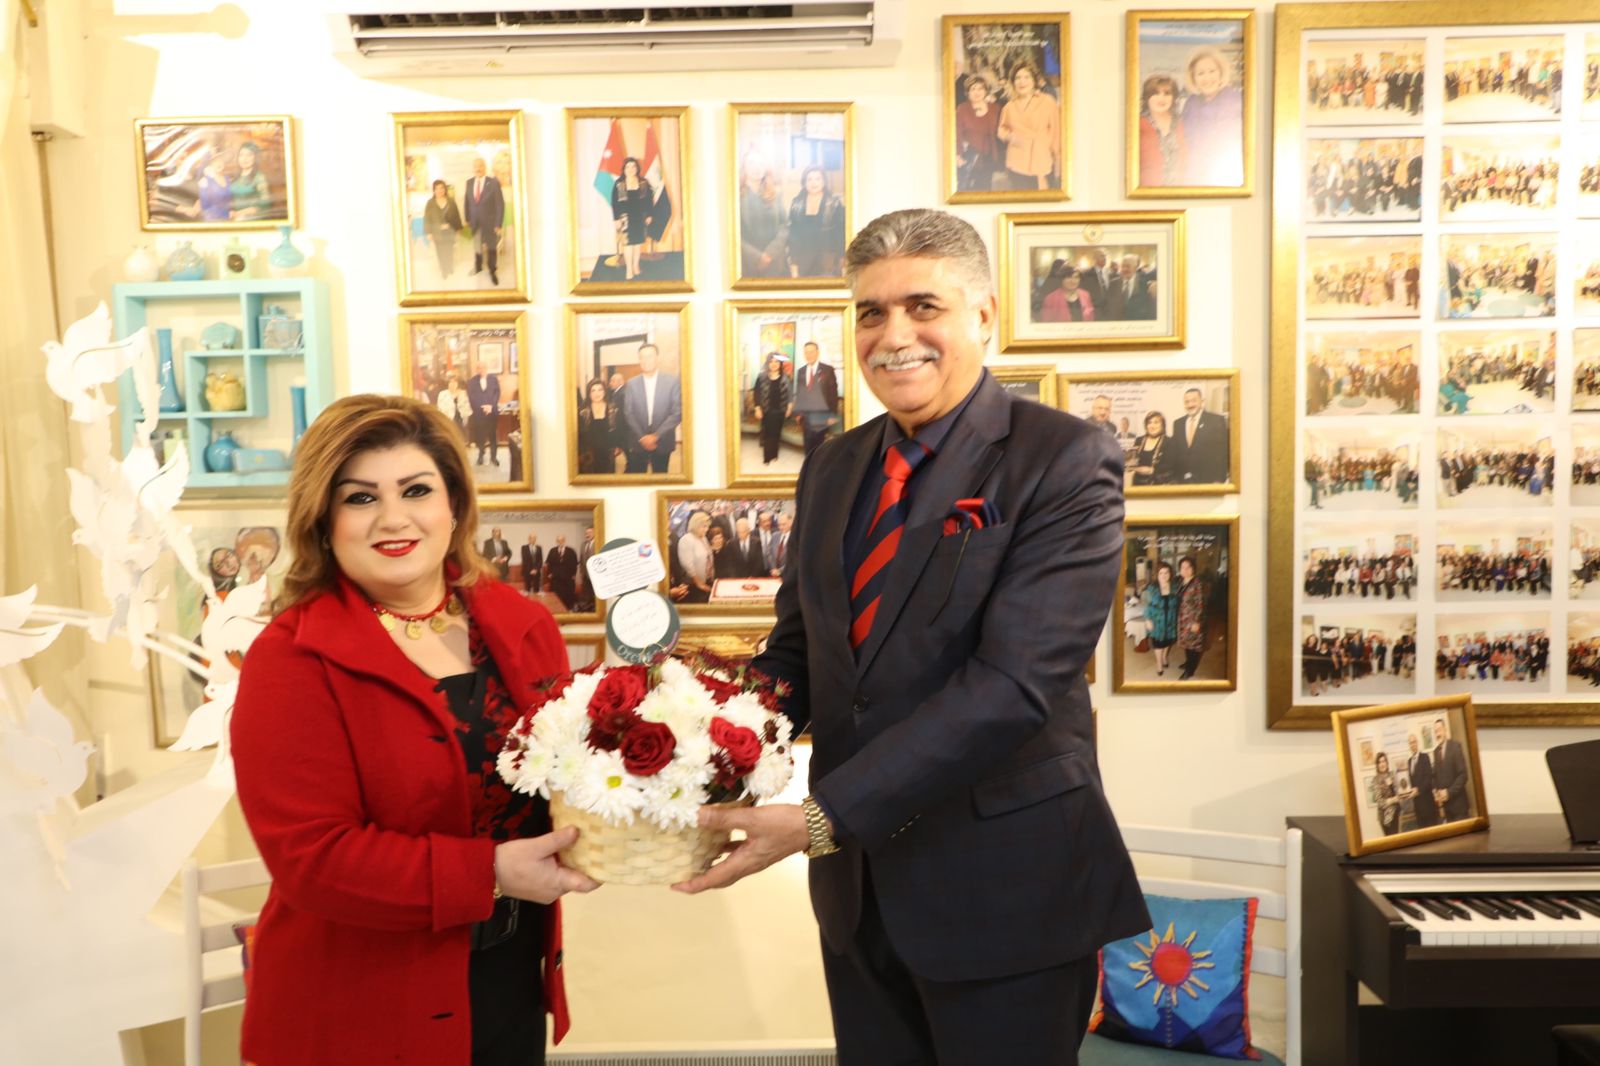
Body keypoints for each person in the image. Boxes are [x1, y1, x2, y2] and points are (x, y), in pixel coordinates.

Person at [674, 208, 1148, 1065]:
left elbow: (1013, 687)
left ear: (985, 316)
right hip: (858, 898)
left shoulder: (1066, 459)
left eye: (923, 306)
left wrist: (820, 818)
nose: (894, 336)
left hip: (1008, 894)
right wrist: (692, 737)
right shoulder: (833, 464)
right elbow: (803, 651)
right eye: (871, 312)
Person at [230, 394, 598, 1066]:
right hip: (361, 1005)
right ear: (324, 521)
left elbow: (564, 774)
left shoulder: (523, 623)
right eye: (360, 498)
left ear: (453, 505)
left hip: (511, 980)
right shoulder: (290, 658)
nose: (393, 518)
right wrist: (490, 873)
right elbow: (313, 859)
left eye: (416, 490)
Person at [1179, 49, 1244, 187]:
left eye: (1212, 71)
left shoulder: (1237, 101)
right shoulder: (1191, 102)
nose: (1207, 78)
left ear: (1221, 73)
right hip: (1192, 175)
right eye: (1200, 73)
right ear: (1193, 78)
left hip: (1224, 178)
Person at [619, 343, 683, 475]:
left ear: (658, 358)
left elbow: (677, 413)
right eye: (642, 357)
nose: (646, 360)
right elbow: (628, 413)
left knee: (660, 477)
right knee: (637, 479)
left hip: (663, 441)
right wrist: (643, 437)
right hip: (638, 441)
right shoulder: (631, 383)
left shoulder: (672, 382)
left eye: (650, 356)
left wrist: (656, 436)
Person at [997, 62, 1060, 191]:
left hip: (1042, 159)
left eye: (1026, 77)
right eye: (1018, 78)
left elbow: (1056, 132)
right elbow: (1001, 129)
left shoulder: (1047, 101)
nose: (1022, 81)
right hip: (1017, 161)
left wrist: (1058, 160)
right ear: (1013, 82)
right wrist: (1011, 137)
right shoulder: (1009, 107)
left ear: (1034, 80)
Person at [787, 166, 846, 278]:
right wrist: (794, 264)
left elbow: (841, 234)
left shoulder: (835, 203)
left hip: (828, 263)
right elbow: (793, 236)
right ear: (804, 182)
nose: (813, 183)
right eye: (809, 179)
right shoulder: (796, 204)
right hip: (803, 262)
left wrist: (843, 261)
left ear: (824, 181)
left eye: (817, 179)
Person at [738, 151, 788, 278]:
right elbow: (733, 233)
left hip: (775, 262)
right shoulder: (735, 196)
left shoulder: (776, 193)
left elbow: (785, 226)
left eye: (761, 163)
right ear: (743, 167)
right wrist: (757, 257)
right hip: (746, 264)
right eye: (751, 163)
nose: (757, 167)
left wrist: (770, 254)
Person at [789, 341, 841, 458]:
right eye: (806, 352)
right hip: (806, 416)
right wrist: (798, 413)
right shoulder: (801, 371)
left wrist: (832, 415)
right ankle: (809, 464)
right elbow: (800, 394)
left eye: (811, 352)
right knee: (807, 444)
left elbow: (833, 394)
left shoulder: (827, 370)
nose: (809, 355)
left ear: (817, 352)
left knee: (819, 445)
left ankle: (817, 465)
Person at [1168, 387, 1229, 484]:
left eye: (1193, 401)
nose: (1190, 405)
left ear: (1202, 402)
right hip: (1182, 481)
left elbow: (1223, 452)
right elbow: (1175, 453)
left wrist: (1219, 479)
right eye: (1187, 402)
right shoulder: (1178, 423)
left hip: (1208, 480)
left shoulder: (1216, 420)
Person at [1138, 74, 1189, 187]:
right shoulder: (1138, 125)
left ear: (1174, 98)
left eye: (1167, 93)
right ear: (1146, 97)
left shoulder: (1181, 124)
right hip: (1147, 190)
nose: (1161, 98)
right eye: (1155, 93)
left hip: (1180, 189)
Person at [954, 74, 1003, 192]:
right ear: (968, 92)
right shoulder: (962, 109)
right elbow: (957, 134)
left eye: (980, 88)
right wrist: (958, 155)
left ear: (986, 91)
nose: (977, 92)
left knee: (985, 190)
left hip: (989, 158)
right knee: (968, 191)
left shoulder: (995, 108)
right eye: (973, 89)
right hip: (969, 159)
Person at [610, 156, 654, 282]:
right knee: (628, 244)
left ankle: (636, 266)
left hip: (640, 217)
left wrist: (649, 214)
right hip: (625, 219)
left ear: (637, 168)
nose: (630, 169)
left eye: (633, 166)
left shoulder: (643, 183)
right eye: (627, 167)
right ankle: (629, 269)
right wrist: (616, 219)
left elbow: (649, 200)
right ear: (624, 169)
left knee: (638, 243)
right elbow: (615, 203)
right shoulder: (619, 184)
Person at [464, 156, 504, 285]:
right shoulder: (469, 182)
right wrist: (467, 218)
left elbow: (499, 204)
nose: (478, 168)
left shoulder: (493, 182)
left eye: (480, 166)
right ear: (473, 169)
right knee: (477, 246)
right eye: (476, 166)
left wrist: (498, 224)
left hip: (490, 223)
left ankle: (492, 270)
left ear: (485, 167)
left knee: (491, 247)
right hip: (474, 222)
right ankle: (478, 266)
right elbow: (467, 202)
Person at [575, 377, 621, 475]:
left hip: (608, 452)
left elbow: (617, 429)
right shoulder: (583, 411)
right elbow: (580, 435)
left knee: (607, 480)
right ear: (589, 393)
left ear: (605, 392)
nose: (597, 393)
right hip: (589, 454)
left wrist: (617, 445)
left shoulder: (613, 409)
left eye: (600, 390)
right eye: (593, 390)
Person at [752, 353, 791, 466]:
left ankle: (774, 454)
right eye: (771, 361)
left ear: (780, 364)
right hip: (766, 411)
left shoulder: (786, 377)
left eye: (776, 362)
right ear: (768, 363)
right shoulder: (761, 377)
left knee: (777, 433)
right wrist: (757, 408)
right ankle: (767, 457)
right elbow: (756, 394)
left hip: (780, 410)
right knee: (767, 433)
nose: (774, 364)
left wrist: (789, 408)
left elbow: (790, 394)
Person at [1142, 560, 1180, 675]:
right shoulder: (1151, 588)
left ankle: (1164, 657)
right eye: (1161, 573)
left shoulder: (1175, 588)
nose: (1164, 575)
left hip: (1171, 620)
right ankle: (1159, 663)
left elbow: (1179, 604)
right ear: (1157, 575)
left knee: (1168, 641)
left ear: (1170, 574)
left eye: (1166, 572)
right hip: (1156, 620)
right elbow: (1145, 605)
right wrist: (1147, 620)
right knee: (1158, 643)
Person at [1432, 717, 1471, 821]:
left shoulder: (1455, 747)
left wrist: (1449, 792)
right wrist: (1436, 791)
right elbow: (1435, 775)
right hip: (1447, 809)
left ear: (1445, 730)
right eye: (1435, 731)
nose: (1437, 734)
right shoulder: (1435, 752)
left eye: (1439, 730)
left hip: (1459, 807)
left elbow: (1463, 775)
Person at [424, 179, 464, 280]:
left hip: (450, 231)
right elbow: (427, 218)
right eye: (437, 189)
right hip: (437, 232)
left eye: (442, 188)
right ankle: (443, 270)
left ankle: (449, 266)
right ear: (434, 190)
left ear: (445, 189)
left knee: (449, 250)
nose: (440, 190)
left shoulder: (451, 201)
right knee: (440, 251)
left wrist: (459, 228)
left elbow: (456, 215)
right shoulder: (430, 203)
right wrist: (428, 232)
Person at [1177, 555, 1208, 680]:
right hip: (1183, 619)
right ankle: (1188, 662)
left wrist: (1197, 622)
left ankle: (1190, 670)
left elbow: (1201, 603)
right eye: (1182, 567)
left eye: (1188, 567)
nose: (1185, 570)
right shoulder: (1181, 582)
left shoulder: (1197, 583)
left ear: (1193, 568)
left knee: (1193, 645)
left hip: (1193, 619)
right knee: (1186, 643)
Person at [466, 363, 501, 468]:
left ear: (486, 368)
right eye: (479, 368)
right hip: (479, 413)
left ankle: (494, 457)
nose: (481, 370)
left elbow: (497, 393)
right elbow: (471, 397)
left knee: (493, 436)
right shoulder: (472, 381)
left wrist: (491, 406)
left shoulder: (493, 379)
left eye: (483, 368)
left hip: (492, 412)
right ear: (476, 369)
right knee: (480, 435)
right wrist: (482, 407)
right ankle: (481, 456)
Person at [676, 510, 715, 603]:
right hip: (694, 586)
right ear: (695, 525)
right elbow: (688, 565)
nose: (707, 529)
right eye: (704, 526)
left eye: (707, 526)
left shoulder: (703, 537)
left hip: (707, 580)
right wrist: (699, 584)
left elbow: (706, 556)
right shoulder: (686, 539)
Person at [1404, 732, 1439, 828]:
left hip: (1428, 805)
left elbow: (1429, 779)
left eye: (1414, 742)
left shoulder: (1425, 757)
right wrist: (1406, 791)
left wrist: (1418, 790)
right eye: (1410, 743)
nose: (1412, 745)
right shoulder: (1409, 761)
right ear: (1409, 745)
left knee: (1433, 832)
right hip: (1417, 807)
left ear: (1417, 743)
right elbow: (1410, 782)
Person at [1129, 411, 1173, 486]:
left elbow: (1170, 466)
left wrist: (1152, 470)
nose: (1152, 426)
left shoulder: (1169, 442)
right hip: (1137, 484)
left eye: (1156, 422)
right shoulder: (1139, 440)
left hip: (1159, 485)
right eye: (1149, 423)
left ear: (1163, 425)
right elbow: (1133, 462)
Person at [229, 142, 272, 220]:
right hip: (235, 218)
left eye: (249, 155)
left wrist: (241, 213)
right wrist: (231, 211)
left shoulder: (259, 177)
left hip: (252, 218)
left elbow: (266, 203)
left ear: (255, 158)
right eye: (241, 155)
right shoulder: (236, 177)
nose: (244, 159)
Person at [189, 152, 232, 222]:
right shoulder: (205, 181)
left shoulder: (227, 179)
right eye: (215, 162)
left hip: (227, 217)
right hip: (212, 219)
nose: (219, 164)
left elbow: (230, 200)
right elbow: (202, 203)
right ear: (210, 165)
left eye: (221, 161)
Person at [546, 535, 578, 611]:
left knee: (567, 594)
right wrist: (549, 573)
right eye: (558, 541)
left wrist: (574, 574)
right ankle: (556, 609)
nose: (560, 542)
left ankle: (568, 609)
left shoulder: (571, 551)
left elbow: (575, 564)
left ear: (564, 541)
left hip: (567, 577)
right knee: (556, 594)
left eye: (562, 540)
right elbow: (549, 563)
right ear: (556, 541)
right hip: (556, 577)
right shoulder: (552, 550)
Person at [1373, 752, 1401, 836]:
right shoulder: (1376, 780)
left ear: (1387, 763)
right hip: (1385, 818)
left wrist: (1393, 789)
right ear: (1377, 765)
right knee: (1390, 840)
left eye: (1384, 761)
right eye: (1379, 762)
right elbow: (1379, 801)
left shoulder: (1392, 775)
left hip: (1395, 813)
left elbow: (1397, 793)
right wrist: (1392, 800)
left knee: (1397, 839)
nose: (1382, 764)